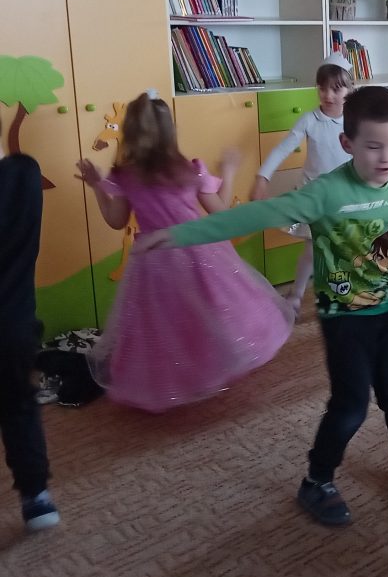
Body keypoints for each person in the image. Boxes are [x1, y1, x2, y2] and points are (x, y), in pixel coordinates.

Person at [136, 86, 388, 525]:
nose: (387, 157)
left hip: (387, 311)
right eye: (373, 146)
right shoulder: (324, 194)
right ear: (347, 143)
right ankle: (316, 480)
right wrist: (178, 234)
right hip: (343, 319)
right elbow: (254, 215)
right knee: (351, 405)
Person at [76, 93, 292, 413]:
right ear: (169, 131)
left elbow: (115, 220)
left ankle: (175, 381)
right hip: (199, 253)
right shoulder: (189, 170)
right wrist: (229, 171)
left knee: (164, 326)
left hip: (153, 262)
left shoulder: (125, 176)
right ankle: (209, 369)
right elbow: (220, 214)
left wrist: (96, 186)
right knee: (208, 313)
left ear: (130, 133)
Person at [251, 58, 354, 317]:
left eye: (336, 89)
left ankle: (342, 293)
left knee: (345, 249)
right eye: (322, 88)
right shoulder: (310, 120)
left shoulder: (355, 121)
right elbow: (282, 149)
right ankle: (296, 295)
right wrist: (262, 177)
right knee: (312, 249)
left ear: (350, 89)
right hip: (313, 196)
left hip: (344, 196)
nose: (328, 95)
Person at [0, 118, 59, 532]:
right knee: (18, 404)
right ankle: (36, 497)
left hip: (13, 329)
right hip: (13, 328)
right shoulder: (22, 178)